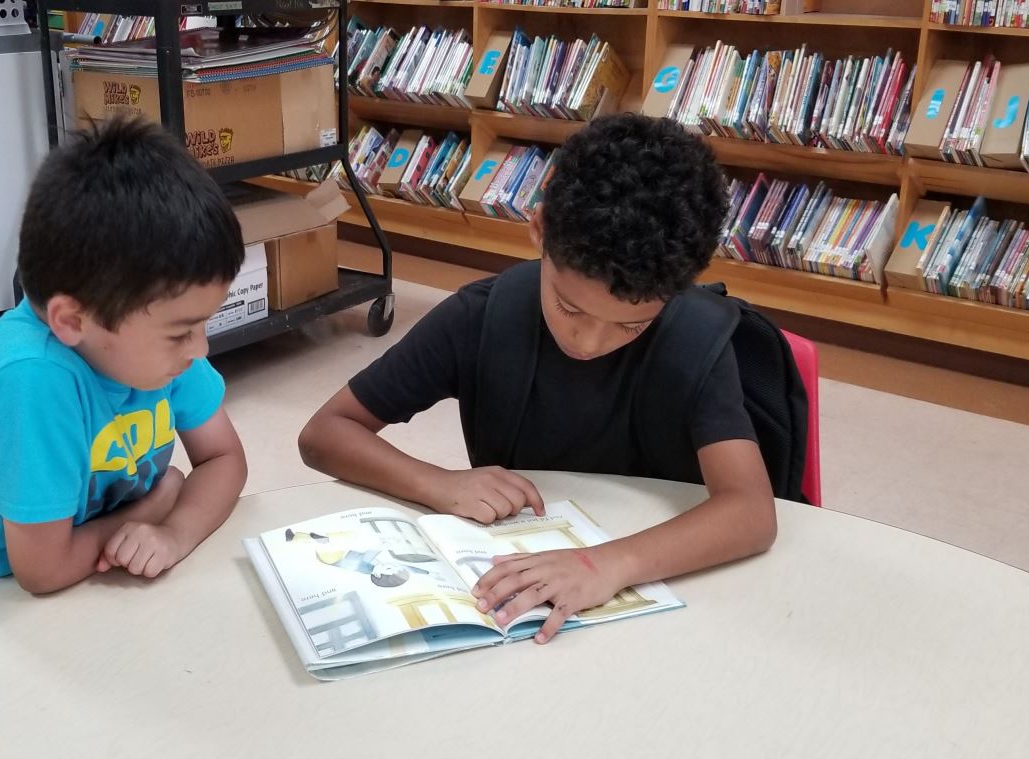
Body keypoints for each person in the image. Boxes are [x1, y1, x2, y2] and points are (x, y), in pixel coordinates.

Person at [297, 114, 785, 643]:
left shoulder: (695, 340)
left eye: (631, 324)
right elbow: (325, 434)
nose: (589, 342)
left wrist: (606, 566)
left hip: (666, 592)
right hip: (525, 596)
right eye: (570, 308)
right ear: (539, 228)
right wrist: (436, 482)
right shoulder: (482, 318)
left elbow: (751, 511)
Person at [0, 119, 248, 621]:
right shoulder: (34, 378)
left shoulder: (159, 349)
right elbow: (42, 570)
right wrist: (157, 504)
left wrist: (174, 533)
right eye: (181, 331)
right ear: (73, 320)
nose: (200, 348)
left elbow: (224, 460)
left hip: (86, 591)